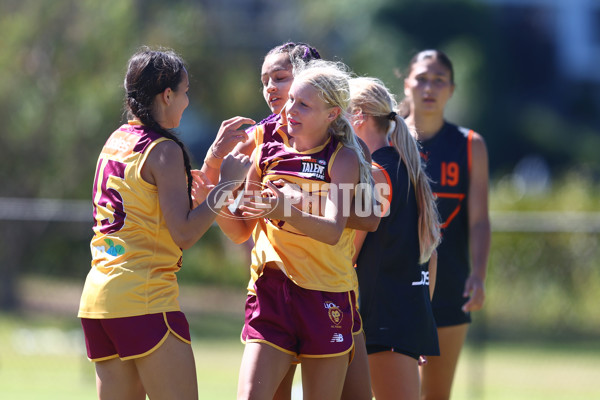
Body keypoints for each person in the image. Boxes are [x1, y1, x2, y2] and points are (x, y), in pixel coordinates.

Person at [193, 42, 374, 400]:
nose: (273, 90)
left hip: (329, 288)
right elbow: (240, 226)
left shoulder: (347, 152)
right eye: (266, 81)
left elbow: (369, 220)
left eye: (281, 78)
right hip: (272, 289)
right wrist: (215, 190)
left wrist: (294, 205)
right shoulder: (260, 140)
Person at [77, 47, 252, 400]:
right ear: (167, 94)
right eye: (185, 92)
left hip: (98, 301)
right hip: (143, 300)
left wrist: (214, 158)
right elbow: (184, 233)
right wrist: (228, 185)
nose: (187, 102)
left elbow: (158, 205)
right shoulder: (164, 150)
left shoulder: (118, 139)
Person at [400, 49, 491, 400]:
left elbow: (480, 220)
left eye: (439, 80)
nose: (429, 87)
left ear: (452, 89)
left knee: (435, 395)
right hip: (392, 286)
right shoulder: (386, 138)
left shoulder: (470, 145)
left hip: (450, 285)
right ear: (407, 83)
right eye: (421, 78)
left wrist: (478, 274)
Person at [347, 77, 441, 400]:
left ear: (357, 116)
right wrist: (420, 317)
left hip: (383, 320)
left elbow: (348, 253)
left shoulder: (375, 174)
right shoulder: (408, 169)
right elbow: (432, 254)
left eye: (342, 113)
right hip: (405, 318)